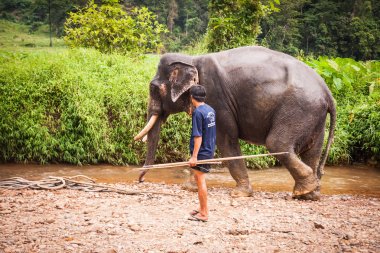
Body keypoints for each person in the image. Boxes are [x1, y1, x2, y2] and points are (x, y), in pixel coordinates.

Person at [188, 85, 216, 222]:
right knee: (199, 179)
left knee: (200, 180)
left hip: (201, 152)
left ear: (192, 97)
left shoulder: (198, 113)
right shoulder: (210, 110)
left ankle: (204, 213)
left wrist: (194, 156)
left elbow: (198, 136)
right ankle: (201, 207)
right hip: (209, 149)